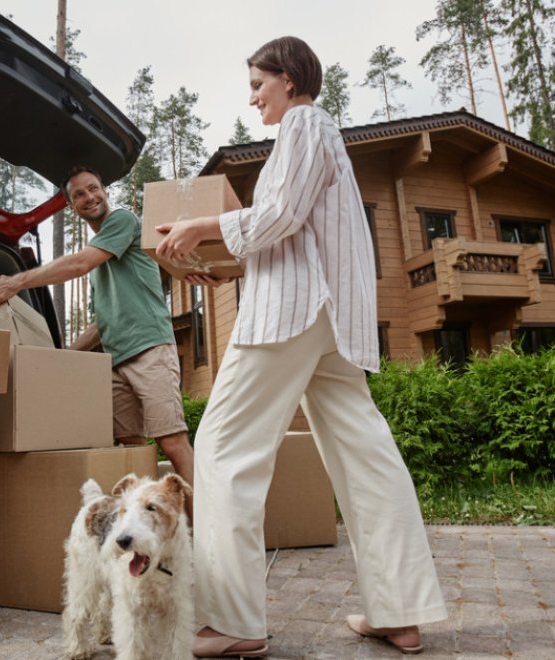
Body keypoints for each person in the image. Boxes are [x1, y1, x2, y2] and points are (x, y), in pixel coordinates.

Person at [155, 36, 448, 657]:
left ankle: (233, 620)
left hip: (292, 313)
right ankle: (399, 613)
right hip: (329, 319)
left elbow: (281, 214)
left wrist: (200, 226)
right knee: (365, 458)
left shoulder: (304, 125)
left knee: (222, 449)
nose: (252, 98)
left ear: (288, 78)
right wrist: (225, 266)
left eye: (257, 84)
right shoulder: (319, 136)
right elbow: (295, 231)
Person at [0, 167, 195, 515]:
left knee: (171, 442)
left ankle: (204, 533)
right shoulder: (98, 265)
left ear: (105, 190)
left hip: (150, 348)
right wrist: (60, 359)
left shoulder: (123, 221)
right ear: (71, 205)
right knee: (133, 449)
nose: (89, 197)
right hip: (116, 360)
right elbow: (99, 325)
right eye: (79, 194)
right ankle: (150, 530)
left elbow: (79, 264)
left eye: (93, 188)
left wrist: (16, 282)